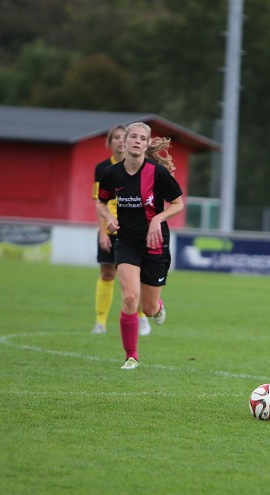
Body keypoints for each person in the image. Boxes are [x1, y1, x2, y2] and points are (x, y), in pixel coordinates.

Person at [96, 122, 184, 370]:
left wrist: (157, 218)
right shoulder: (112, 174)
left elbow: (178, 204)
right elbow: (101, 203)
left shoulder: (158, 173)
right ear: (124, 142)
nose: (136, 141)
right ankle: (131, 356)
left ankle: (158, 308)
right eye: (132, 137)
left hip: (155, 244)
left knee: (148, 307)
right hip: (127, 243)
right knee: (130, 297)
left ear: (146, 145)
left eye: (141, 138)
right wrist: (109, 219)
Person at [92, 125, 151, 337]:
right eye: (115, 137)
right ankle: (100, 322)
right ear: (111, 142)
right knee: (107, 273)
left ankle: (143, 317)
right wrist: (102, 233)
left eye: (121, 136)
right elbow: (99, 202)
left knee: (139, 277)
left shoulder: (142, 166)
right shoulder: (103, 169)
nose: (119, 141)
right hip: (110, 228)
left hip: (134, 231)